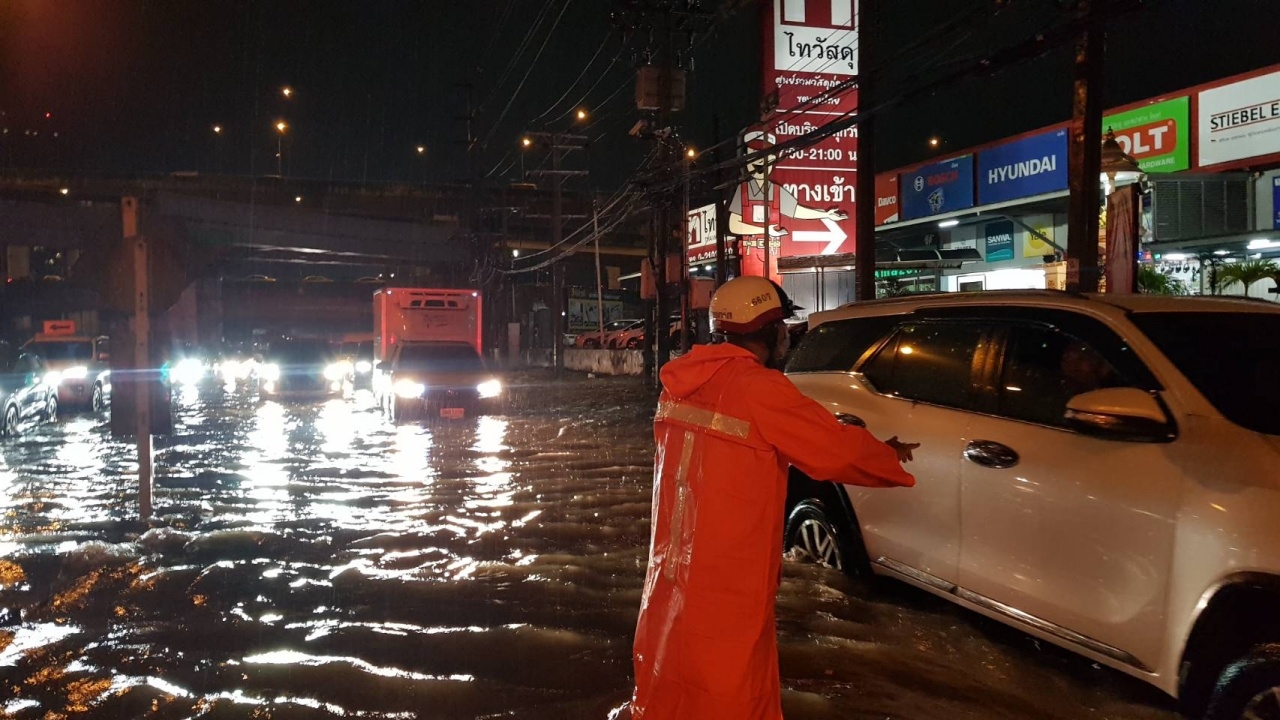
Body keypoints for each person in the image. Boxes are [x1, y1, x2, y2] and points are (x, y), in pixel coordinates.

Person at [626, 276, 918, 720]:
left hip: (672, 572)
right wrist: (886, 455)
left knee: (670, 675)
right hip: (729, 578)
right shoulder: (758, 389)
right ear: (769, 330)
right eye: (782, 324)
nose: (786, 335)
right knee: (734, 692)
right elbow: (833, 451)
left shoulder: (679, 384)